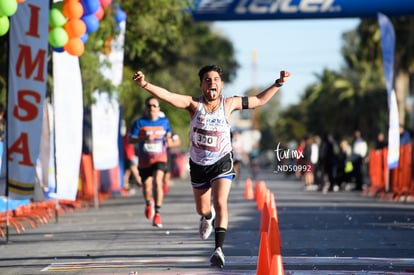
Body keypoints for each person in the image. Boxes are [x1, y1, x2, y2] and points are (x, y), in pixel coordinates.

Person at [132, 65, 291, 268]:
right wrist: (145, 84)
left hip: (222, 162)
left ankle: (218, 249)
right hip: (198, 165)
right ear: (201, 85)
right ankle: (207, 217)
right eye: (207, 80)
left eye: (216, 79)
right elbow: (168, 96)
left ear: (221, 84)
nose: (212, 83)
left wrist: (278, 83)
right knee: (204, 208)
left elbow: (258, 100)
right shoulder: (193, 104)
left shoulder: (229, 103)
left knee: (220, 202)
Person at [129, 96, 172, 228]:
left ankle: (157, 214)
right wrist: (143, 137)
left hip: (160, 158)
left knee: (158, 181)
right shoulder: (139, 123)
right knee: (147, 186)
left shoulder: (164, 122)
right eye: (149, 106)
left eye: (154, 106)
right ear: (146, 108)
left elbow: (170, 136)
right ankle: (149, 203)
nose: (152, 108)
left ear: (159, 108)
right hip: (144, 160)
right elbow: (131, 140)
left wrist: (169, 140)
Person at [122, 128, 142, 194]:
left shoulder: (126, 137)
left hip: (129, 156)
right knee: (134, 172)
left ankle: (125, 187)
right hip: (129, 157)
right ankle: (141, 185)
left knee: (127, 173)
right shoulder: (128, 137)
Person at [163, 130, 181, 195]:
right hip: (151, 156)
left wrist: (169, 144)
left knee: (166, 175)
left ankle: (164, 187)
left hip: (165, 155)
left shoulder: (168, 130)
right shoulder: (148, 126)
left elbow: (178, 141)